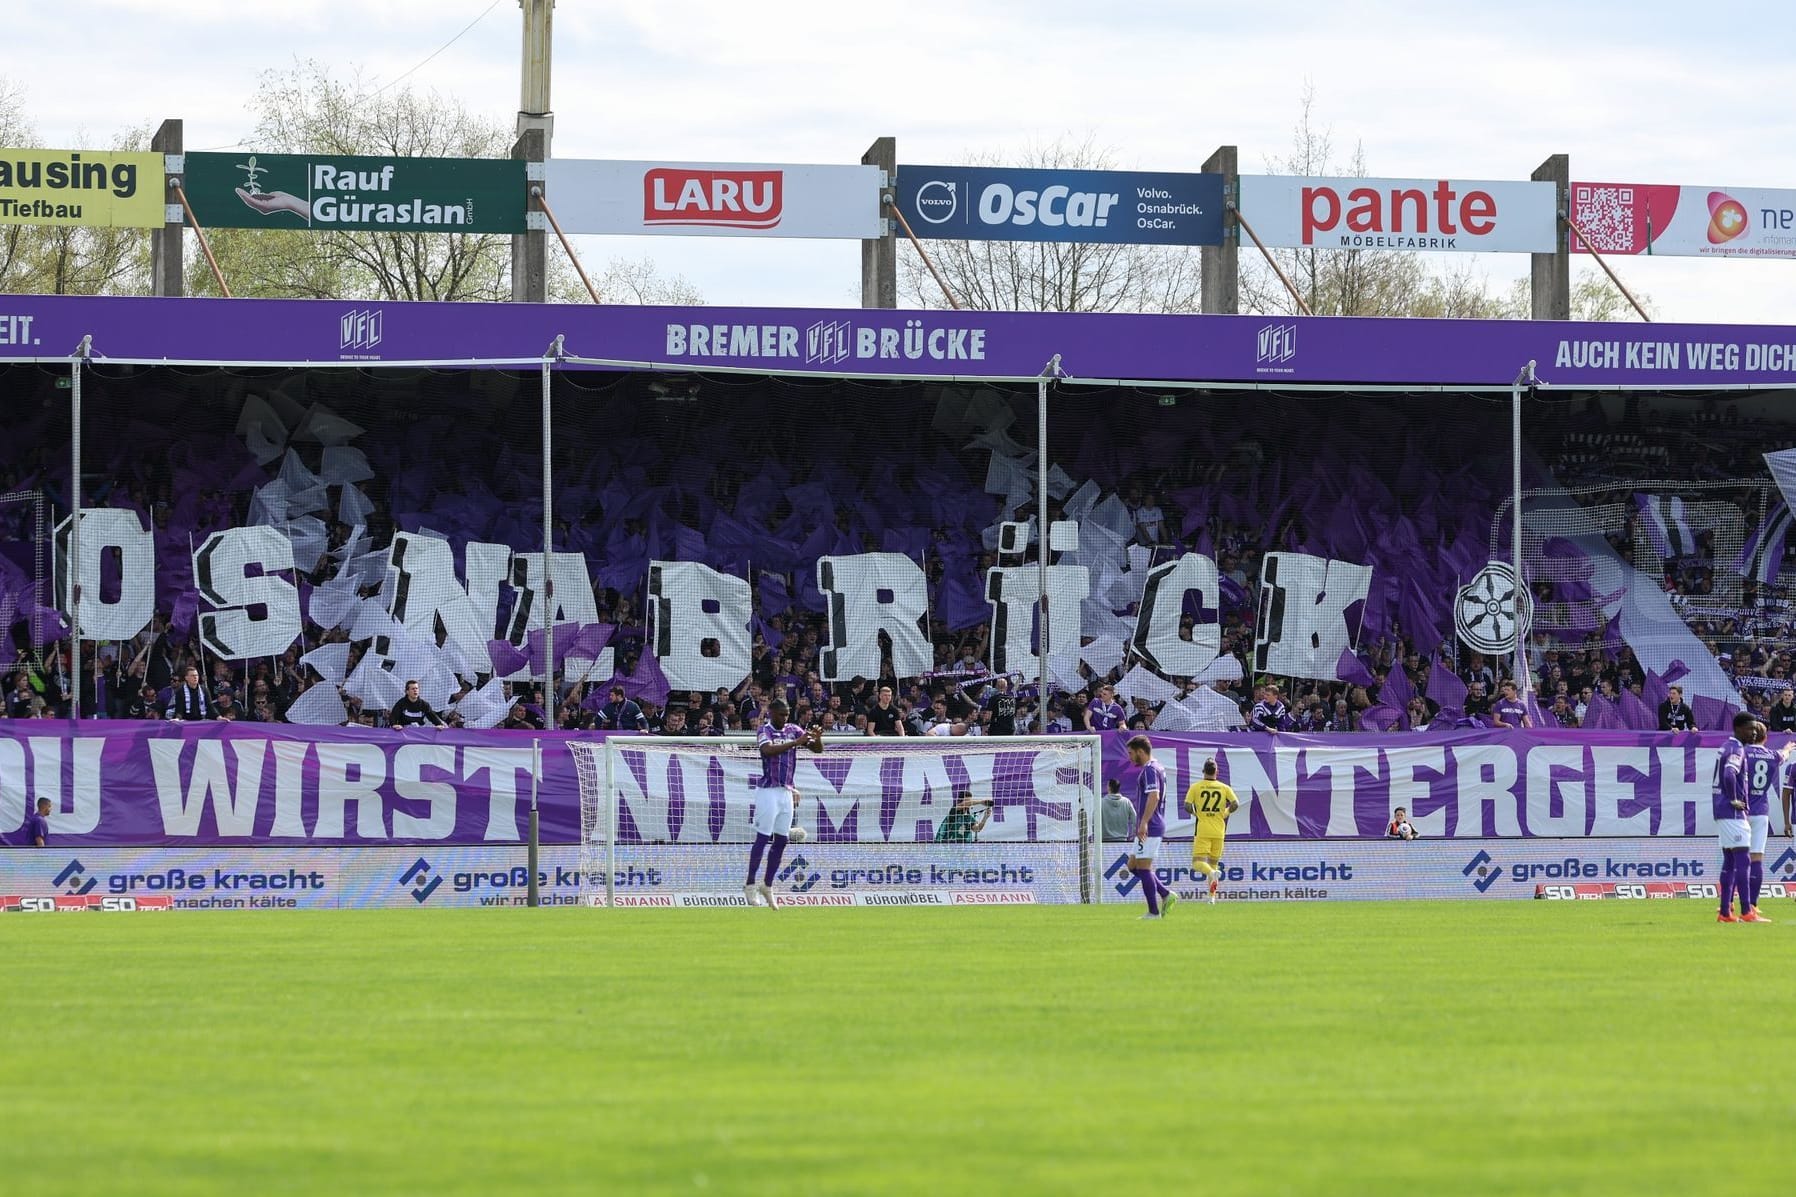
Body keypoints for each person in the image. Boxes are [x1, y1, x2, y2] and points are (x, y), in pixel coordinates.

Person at [745, 698, 816, 907]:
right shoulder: (763, 730)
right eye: (781, 714)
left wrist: (816, 739)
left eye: (787, 714)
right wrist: (796, 743)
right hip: (768, 791)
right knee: (762, 838)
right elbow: (767, 751)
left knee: (782, 840)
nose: (784, 718)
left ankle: (767, 885)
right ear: (771, 713)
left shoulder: (793, 729)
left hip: (786, 791)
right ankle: (749, 885)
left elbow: (816, 748)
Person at [1124, 734, 1176, 919]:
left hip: (1151, 825)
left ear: (1140, 751)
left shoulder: (1149, 770)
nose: (1129, 757)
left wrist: (1144, 822)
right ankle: (1165, 893)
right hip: (1149, 824)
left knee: (1144, 868)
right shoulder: (1157, 767)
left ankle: (1153, 912)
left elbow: (1154, 796)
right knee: (1132, 866)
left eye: (1131, 753)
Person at [1714, 711, 1755, 923]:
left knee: (1730, 860)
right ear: (1739, 728)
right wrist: (1733, 799)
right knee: (1743, 859)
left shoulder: (1727, 746)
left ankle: (1724, 912)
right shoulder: (1736, 748)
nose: (1754, 733)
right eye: (1750, 729)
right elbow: (1730, 773)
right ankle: (1747, 910)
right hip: (1732, 812)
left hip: (1722, 812)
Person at [1738, 720, 1780, 922]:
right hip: (1761, 812)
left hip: (1742, 811)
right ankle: (1752, 906)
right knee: (1756, 858)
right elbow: (1783, 755)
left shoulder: (1741, 753)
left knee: (1735, 858)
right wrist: (1788, 748)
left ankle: (1728, 903)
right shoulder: (1772, 755)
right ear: (1766, 738)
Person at [1182, 757, 1238, 903]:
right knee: (1213, 863)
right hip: (1219, 831)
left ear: (1203, 771)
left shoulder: (1196, 787)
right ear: (1216, 772)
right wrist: (1225, 813)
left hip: (1203, 830)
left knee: (1197, 863)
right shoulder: (1224, 787)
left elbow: (1187, 806)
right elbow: (1235, 804)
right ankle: (1212, 897)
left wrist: (1197, 813)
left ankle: (1212, 874)